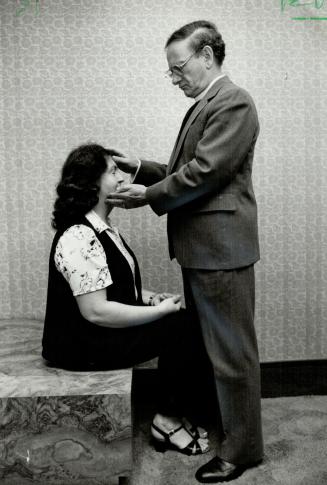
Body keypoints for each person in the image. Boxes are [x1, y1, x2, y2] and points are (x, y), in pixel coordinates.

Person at [107, 20, 264, 483]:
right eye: (171, 72)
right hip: (205, 250)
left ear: (207, 55)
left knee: (232, 354)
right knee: (212, 350)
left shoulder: (232, 101)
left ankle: (242, 452)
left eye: (178, 68)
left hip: (221, 250)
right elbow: (185, 168)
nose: (174, 78)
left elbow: (206, 173)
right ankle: (224, 431)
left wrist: (148, 195)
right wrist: (138, 166)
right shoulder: (207, 104)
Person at [41, 143, 210, 456]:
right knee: (180, 327)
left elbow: (117, 287)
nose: (122, 177)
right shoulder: (80, 235)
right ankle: (166, 421)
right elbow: (97, 312)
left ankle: (172, 412)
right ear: (91, 184)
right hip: (81, 345)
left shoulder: (101, 228)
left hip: (94, 334)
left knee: (184, 320)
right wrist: (158, 312)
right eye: (112, 171)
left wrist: (149, 298)